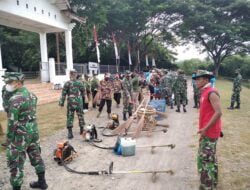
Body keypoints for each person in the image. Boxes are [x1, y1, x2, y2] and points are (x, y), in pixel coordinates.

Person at [3, 72, 48, 190]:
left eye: (10, 82)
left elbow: (12, 122)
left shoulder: (15, 99)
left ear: (18, 83)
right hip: (33, 131)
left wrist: (8, 139)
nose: (7, 85)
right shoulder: (32, 95)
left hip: (20, 134)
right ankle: (42, 182)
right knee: (36, 155)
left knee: (16, 162)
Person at [192, 70, 222, 190]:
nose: (196, 82)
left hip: (209, 132)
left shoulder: (212, 93)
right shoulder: (204, 92)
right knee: (210, 158)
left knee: (206, 160)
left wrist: (205, 129)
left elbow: (219, 112)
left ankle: (207, 186)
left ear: (205, 80)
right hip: (206, 131)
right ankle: (213, 182)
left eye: (198, 79)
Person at [59, 70, 85, 139]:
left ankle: (71, 132)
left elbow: (63, 94)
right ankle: (80, 130)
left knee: (70, 117)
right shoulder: (79, 83)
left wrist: (61, 103)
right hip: (78, 102)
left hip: (71, 102)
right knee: (80, 115)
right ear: (75, 75)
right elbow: (83, 92)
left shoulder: (67, 83)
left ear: (70, 75)